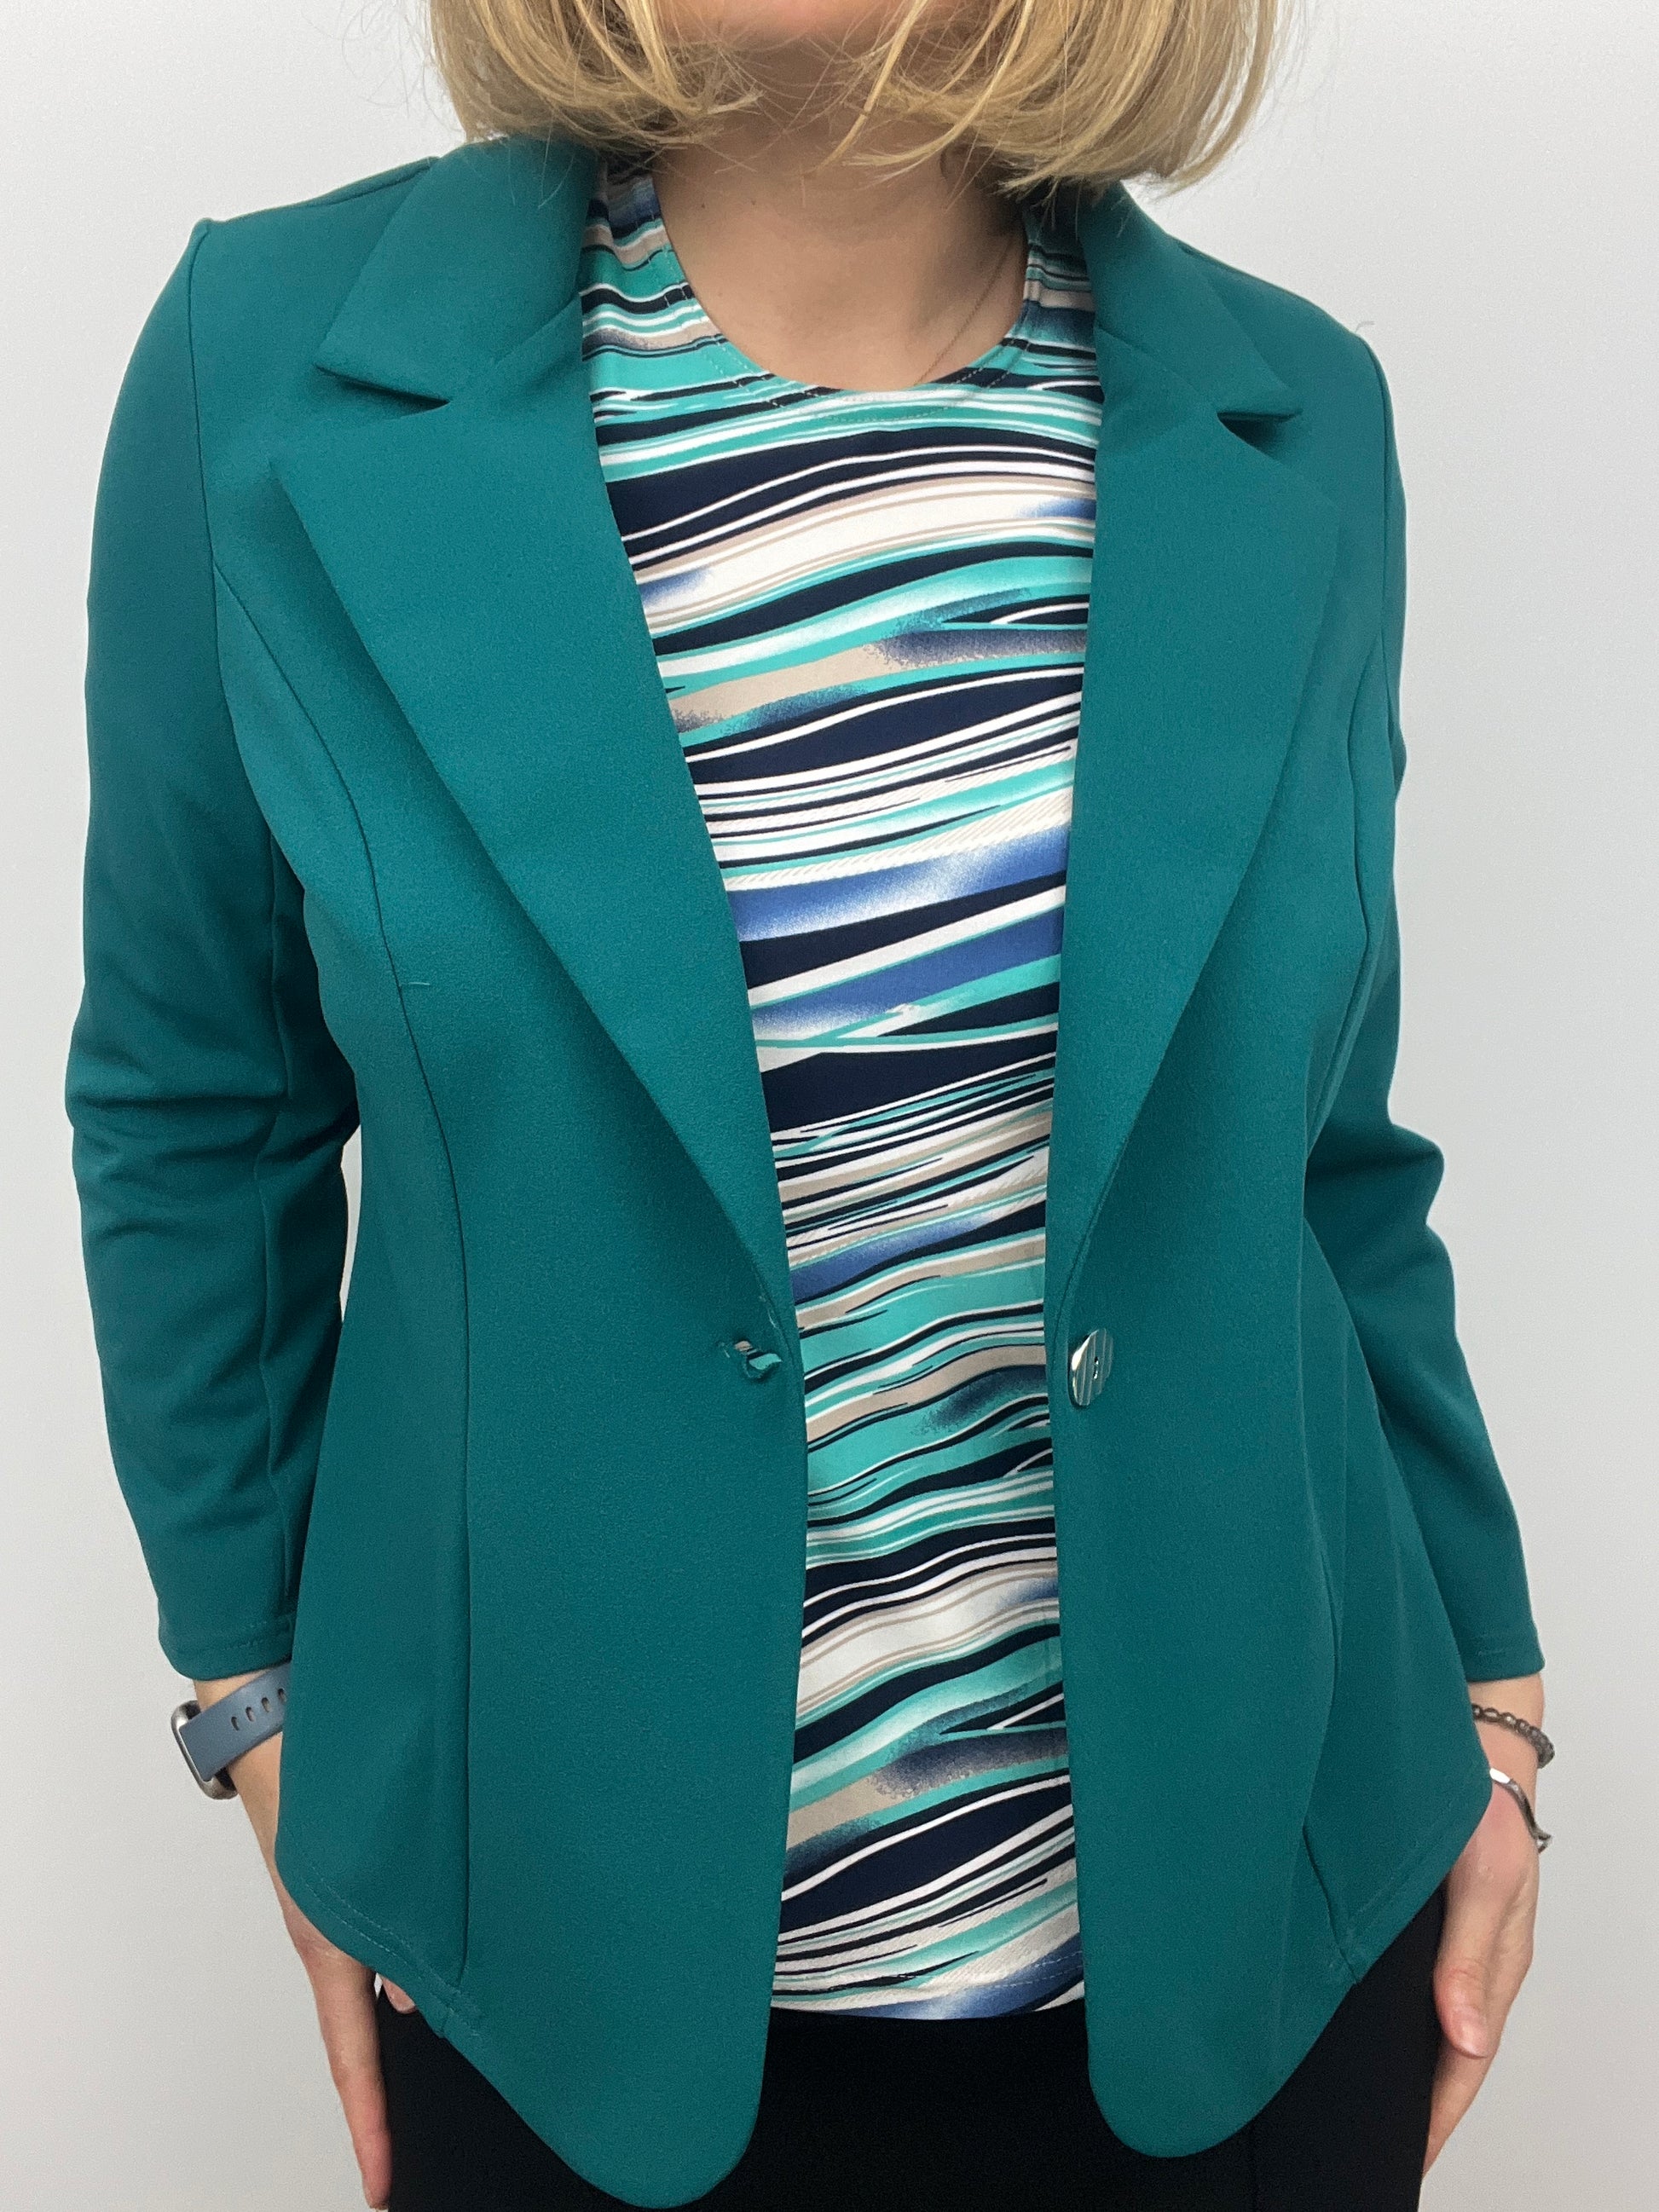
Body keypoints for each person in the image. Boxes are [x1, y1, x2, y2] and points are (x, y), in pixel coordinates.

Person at [65, 1, 1550, 2206]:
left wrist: (1495, 1708)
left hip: (1261, 1939)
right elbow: (198, 1100)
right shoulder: (265, 373)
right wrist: (260, 1696)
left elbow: (1325, 1154)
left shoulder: (1295, 418)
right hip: (557, 1971)